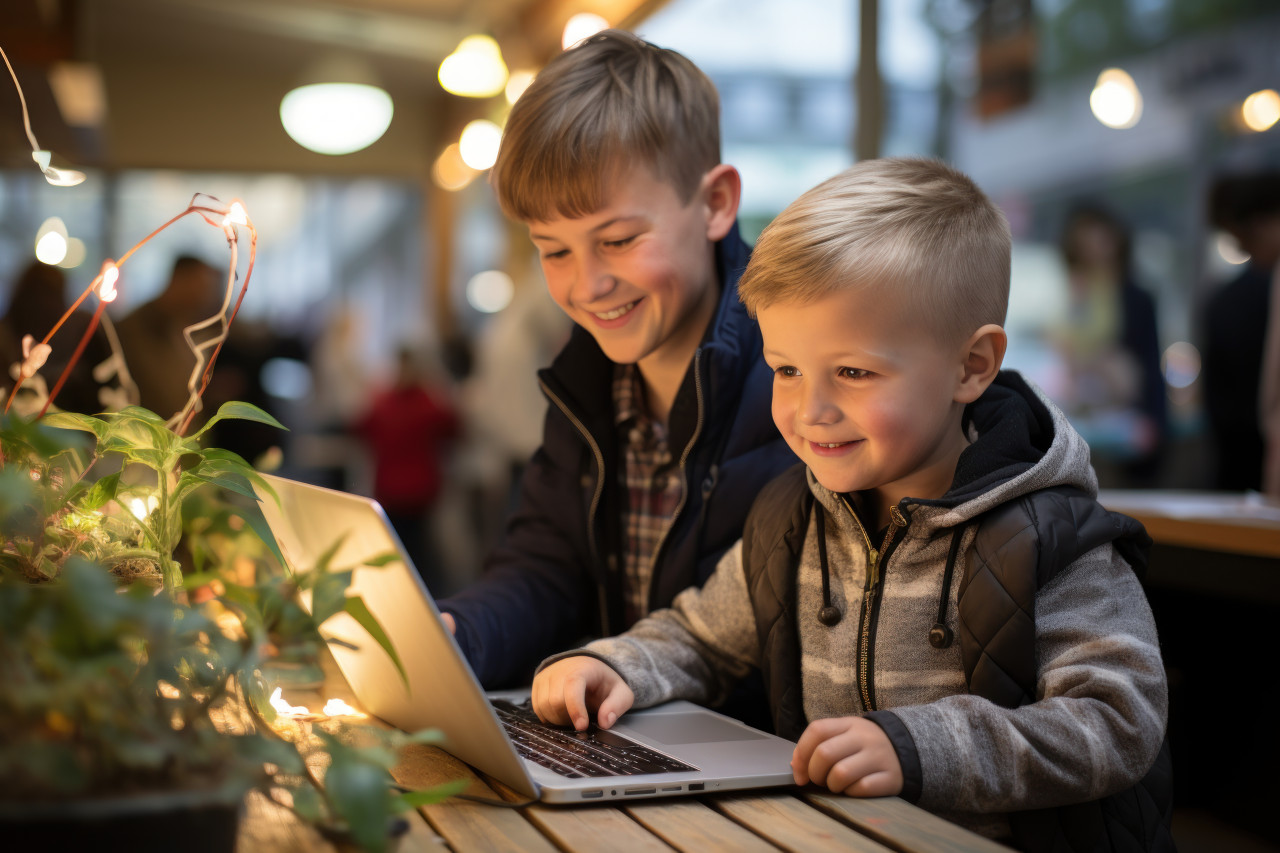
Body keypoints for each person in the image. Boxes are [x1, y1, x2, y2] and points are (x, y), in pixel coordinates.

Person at [531, 159, 1172, 850]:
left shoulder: (1056, 540)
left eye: (855, 372)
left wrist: (919, 747)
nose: (811, 410)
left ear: (972, 366)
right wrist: (617, 665)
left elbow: (1118, 720)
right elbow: (700, 636)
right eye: (787, 370)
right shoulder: (793, 520)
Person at [436, 30, 797, 707]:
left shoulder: (798, 375)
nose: (587, 285)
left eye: (619, 240)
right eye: (554, 250)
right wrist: (457, 632)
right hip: (629, 747)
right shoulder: (589, 380)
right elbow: (547, 565)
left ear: (716, 203)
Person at [1050, 202, 1166, 486]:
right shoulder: (1076, 295)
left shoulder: (1134, 298)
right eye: (1085, 243)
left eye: (1101, 241)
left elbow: (1149, 365)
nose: (1094, 250)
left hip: (1127, 414)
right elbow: (1066, 348)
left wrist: (1155, 420)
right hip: (1087, 412)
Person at [354, 345, 460, 593]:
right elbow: (454, 429)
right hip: (418, 491)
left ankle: (398, 596)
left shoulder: (384, 402)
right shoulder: (428, 403)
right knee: (419, 556)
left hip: (394, 491)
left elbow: (360, 428)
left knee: (397, 552)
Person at [1202, 171, 1280, 492]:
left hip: (1248, 463)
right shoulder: (1263, 283)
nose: (1242, 246)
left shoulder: (1231, 300)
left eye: (1242, 235)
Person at [115, 254, 222, 424]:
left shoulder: (183, 325)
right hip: (146, 437)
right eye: (200, 287)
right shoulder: (137, 327)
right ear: (179, 279)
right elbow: (157, 392)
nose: (204, 297)